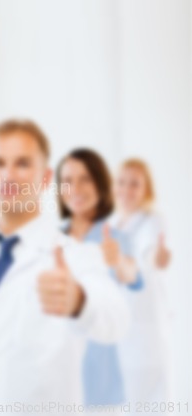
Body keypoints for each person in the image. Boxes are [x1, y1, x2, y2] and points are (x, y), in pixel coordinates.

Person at [0, 119, 129, 416]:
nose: (8, 175)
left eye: (22, 163)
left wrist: (79, 302)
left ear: (45, 178)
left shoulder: (75, 255)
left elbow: (116, 319)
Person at [56, 148, 143, 409]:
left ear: (100, 183)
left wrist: (118, 263)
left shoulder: (113, 237)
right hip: (57, 374)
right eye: (68, 180)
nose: (76, 188)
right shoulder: (52, 238)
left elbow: (134, 277)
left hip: (100, 378)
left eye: (85, 179)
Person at [110, 158, 172, 410]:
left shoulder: (152, 221)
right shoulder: (112, 225)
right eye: (122, 182)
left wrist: (156, 257)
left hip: (145, 336)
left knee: (146, 403)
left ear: (146, 189)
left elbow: (151, 254)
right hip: (120, 334)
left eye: (135, 184)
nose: (126, 190)